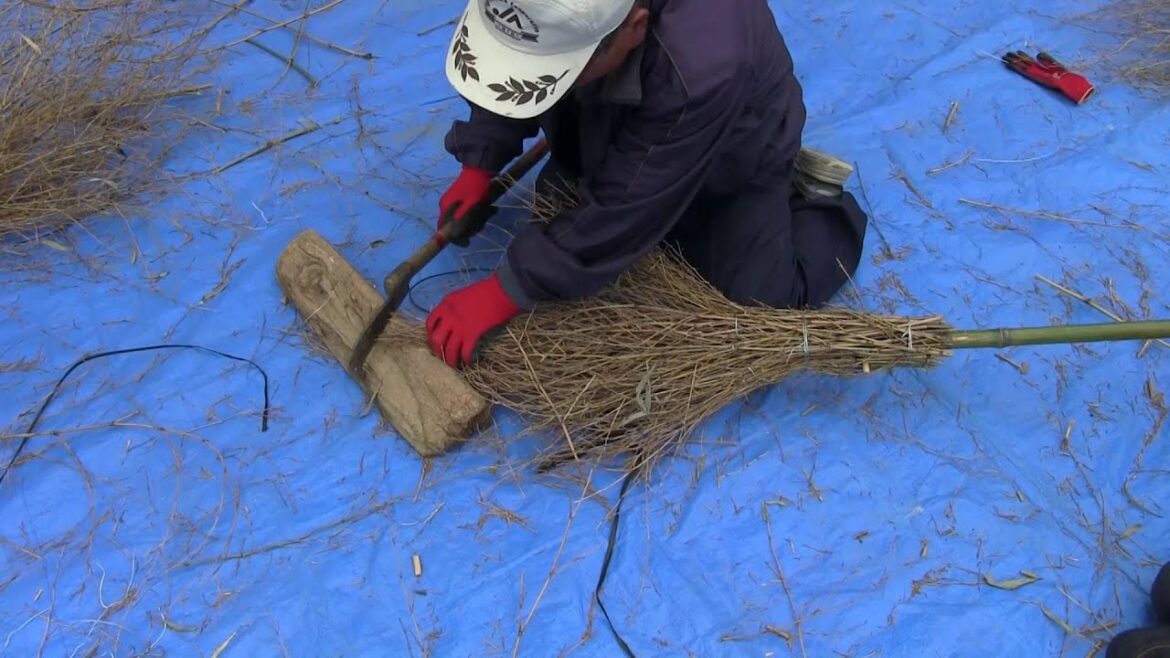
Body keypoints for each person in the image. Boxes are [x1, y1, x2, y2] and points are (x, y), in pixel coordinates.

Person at [425, 0, 868, 368]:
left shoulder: (707, 60)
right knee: (559, 203)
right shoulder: (582, 26)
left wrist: (506, 289)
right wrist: (481, 160)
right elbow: (517, 49)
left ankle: (815, 203)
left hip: (730, 152)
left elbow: (628, 203)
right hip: (620, 100)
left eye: (559, 72)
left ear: (635, 27)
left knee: (756, 299)